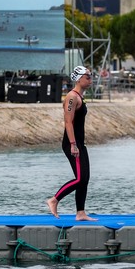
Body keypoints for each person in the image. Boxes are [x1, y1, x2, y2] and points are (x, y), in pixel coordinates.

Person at [46, 65, 97, 221]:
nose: (90, 79)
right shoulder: (72, 97)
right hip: (71, 143)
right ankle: (54, 200)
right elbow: (68, 123)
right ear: (79, 78)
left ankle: (80, 212)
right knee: (80, 178)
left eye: (90, 76)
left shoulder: (79, 97)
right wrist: (73, 144)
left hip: (80, 143)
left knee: (84, 178)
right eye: (87, 77)